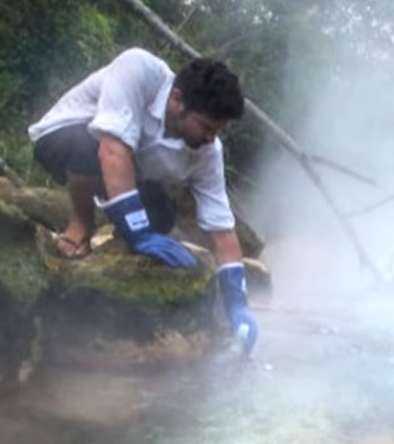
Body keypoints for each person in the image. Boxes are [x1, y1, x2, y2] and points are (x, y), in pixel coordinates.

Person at [27, 47, 258, 355]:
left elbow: (222, 229)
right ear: (177, 101)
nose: (210, 138)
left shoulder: (208, 152)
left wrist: (238, 306)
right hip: (64, 135)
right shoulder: (139, 70)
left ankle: (116, 239)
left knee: (161, 219)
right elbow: (110, 149)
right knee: (89, 146)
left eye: (218, 131)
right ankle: (81, 224)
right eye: (205, 127)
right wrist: (137, 231)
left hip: (125, 163)